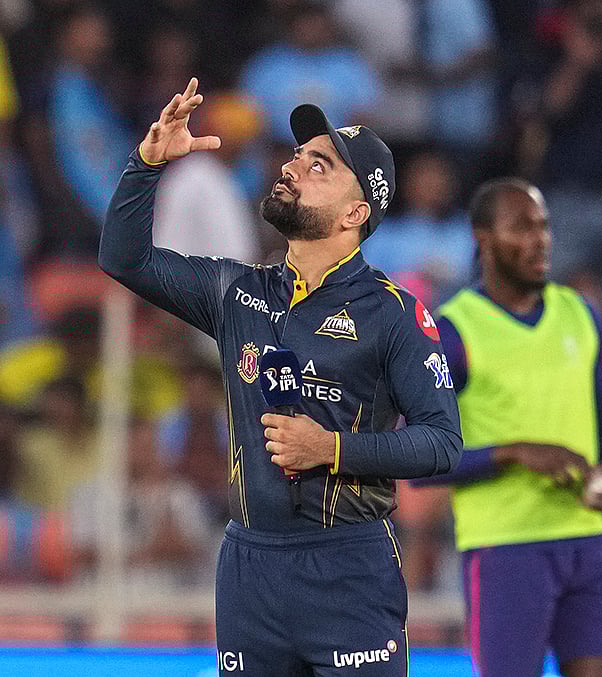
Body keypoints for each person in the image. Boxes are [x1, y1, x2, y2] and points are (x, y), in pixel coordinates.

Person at [98, 77, 462, 676]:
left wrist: (332, 448)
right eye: (298, 155)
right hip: (249, 569)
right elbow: (123, 259)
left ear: (357, 211)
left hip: (348, 566)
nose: (294, 165)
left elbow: (443, 442)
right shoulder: (238, 293)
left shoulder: (395, 312)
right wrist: (146, 164)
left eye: (320, 164)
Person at [413, 178, 602, 677]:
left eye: (544, 225)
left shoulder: (580, 313)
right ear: (482, 239)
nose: (540, 240)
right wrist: (512, 453)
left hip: (586, 539)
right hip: (504, 550)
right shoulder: (453, 332)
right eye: (521, 227)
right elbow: (417, 458)